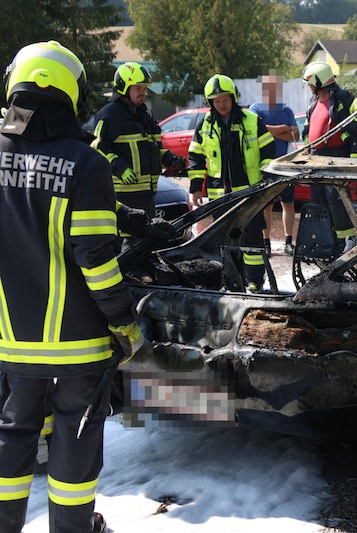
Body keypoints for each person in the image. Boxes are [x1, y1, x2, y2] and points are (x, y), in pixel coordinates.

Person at [0, 41, 149, 533]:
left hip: (12, 343)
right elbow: (95, 258)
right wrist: (125, 322)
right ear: (72, 94)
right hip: (79, 344)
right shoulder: (86, 164)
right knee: (73, 440)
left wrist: (130, 218)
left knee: (14, 436)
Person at [187, 74, 276, 292]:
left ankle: (255, 281)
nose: (221, 104)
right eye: (216, 101)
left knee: (252, 240)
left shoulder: (252, 120)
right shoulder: (204, 125)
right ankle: (231, 281)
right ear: (210, 103)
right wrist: (196, 187)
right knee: (225, 241)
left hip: (250, 194)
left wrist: (267, 180)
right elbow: (195, 157)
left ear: (233, 97)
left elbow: (268, 151)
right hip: (221, 197)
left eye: (225, 99)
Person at [91, 62, 185, 221]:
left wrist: (170, 160)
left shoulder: (144, 115)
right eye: (138, 88)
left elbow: (153, 149)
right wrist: (119, 168)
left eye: (144, 89)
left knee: (146, 242)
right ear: (123, 88)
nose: (143, 93)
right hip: (123, 196)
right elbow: (96, 149)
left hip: (148, 195)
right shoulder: (110, 115)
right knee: (127, 243)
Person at [300, 61, 357, 251]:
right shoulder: (313, 101)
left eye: (310, 82)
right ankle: (327, 241)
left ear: (320, 81)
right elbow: (308, 128)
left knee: (336, 202)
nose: (309, 86)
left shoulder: (341, 97)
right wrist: (307, 147)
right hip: (316, 158)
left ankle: (347, 243)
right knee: (319, 203)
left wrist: (346, 135)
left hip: (335, 157)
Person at [249, 72, 300, 256]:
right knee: (266, 205)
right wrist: (283, 129)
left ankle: (288, 242)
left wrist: (271, 130)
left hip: (284, 165)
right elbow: (258, 130)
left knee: (288, 203)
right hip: (265, 165)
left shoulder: (286, 110)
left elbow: (296, 134)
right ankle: (266, 242)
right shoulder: (255, 109)